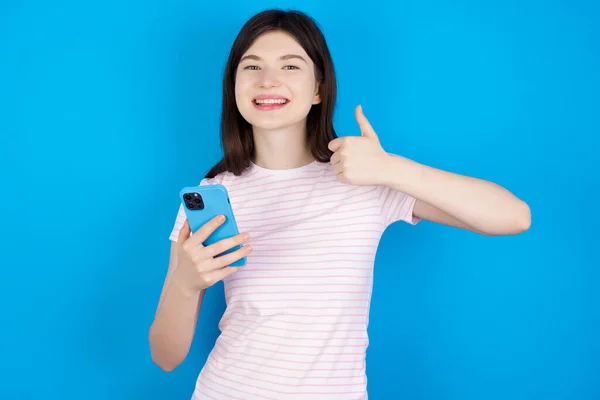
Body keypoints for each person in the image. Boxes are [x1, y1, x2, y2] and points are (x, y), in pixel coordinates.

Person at [148, 8, 531, 399]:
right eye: (251, 67)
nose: (268, 80)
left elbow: (513, 217)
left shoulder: (365, 179)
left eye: (290, 66)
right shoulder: (211, 194)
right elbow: (165, 356)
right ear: (234, 86)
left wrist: (392, 169)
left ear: (318, 88)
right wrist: (184, 283)